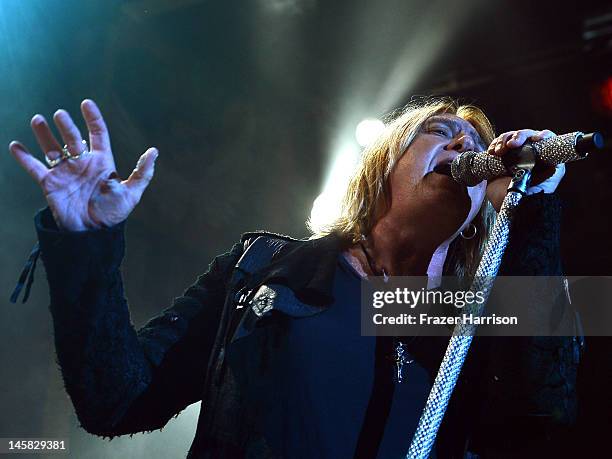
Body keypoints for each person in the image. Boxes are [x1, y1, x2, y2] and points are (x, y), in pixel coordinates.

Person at [9, 97, 580, 458]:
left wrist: (534, 215)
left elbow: (548, 408)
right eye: (438, 132)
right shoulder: (264, 269)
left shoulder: (475, 318)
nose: (464, 145)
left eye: (477, 144)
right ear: (384, 166)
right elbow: (117, 398)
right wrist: (87, 244)